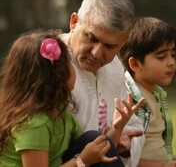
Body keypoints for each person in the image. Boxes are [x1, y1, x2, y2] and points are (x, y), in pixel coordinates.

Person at [0, 29, 144, 167]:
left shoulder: (62, 114)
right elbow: (86, 158)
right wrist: (82, 161)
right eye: (69, 63)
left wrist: (117, 128)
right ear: (58, 74)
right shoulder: (33, 124)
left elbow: (98, 148)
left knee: (91, 138)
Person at [60, 0, 144, 166]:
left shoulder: (114, 67)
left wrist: (125, 141)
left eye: (110, 46)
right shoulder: (46, 63)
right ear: (74, 22)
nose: (97, 53)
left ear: (123, 43)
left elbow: (134, 127)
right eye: (91, 38)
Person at [119, 17, 176, 167]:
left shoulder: (155, 95)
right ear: (135, 64)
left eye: (173, 55)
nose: (171, 62)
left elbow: (155, 146)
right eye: (162, 56)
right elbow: (124, 159)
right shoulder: (130, 100)